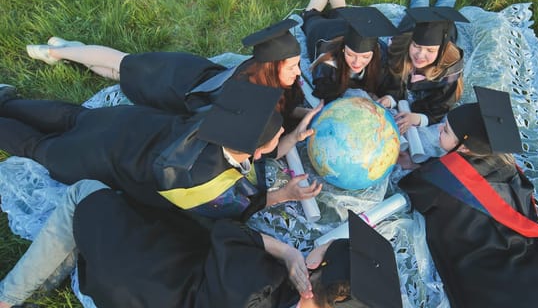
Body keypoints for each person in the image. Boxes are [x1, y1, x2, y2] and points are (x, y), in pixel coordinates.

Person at [0, 179, 405, 308]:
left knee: (84, 196)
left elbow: (226, 232)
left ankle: (8, 300)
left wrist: (284, 252)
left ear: (316, 262)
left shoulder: (256, 283)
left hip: (137, 280)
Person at [0, 81, 321, 228]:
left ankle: (5, 102)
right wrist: (284, 195)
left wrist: (293, 135)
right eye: (276, 135)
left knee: (72, 117)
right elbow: (242, 206)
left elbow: (252, 148)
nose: (282, 133)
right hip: (103, 160)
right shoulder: (208, 183)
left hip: (123, 123)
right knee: (38, 148)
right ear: (252, 148)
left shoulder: (220, 119)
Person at [397, 87, 538, 308]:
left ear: (465, 147)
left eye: (447, 130)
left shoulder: (442, 176)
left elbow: (415, 188)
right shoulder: (506, 165)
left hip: (481, 259)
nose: (440, 129)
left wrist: (415, 167)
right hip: (524, 253)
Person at [26, 19, 308, 133]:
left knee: (121, 70)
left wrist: (307, 113)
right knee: (122, 65)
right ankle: (57, 53)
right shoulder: (242, 96)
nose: (298, 72)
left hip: (189, 72)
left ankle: (68, 48)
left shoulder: (257, 72)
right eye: (292, 66)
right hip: (173, 85)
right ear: (270, 67)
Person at [301, 0, 398, 103]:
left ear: (373, 53)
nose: (357, 63)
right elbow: (327, 96)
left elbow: (393, 88)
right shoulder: (327, 66)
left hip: (348, 26)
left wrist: (389, 99)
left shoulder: (380, 55)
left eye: (365, 57)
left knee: (342, 11)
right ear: (343, 50)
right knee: (310, 14)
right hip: (324, 31)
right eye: (351, 55)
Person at [377, 6, 469, 134]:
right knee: (419, 4)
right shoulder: (400, 47)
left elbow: (441, 107)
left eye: (430, 50)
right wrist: (390, 98)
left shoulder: (450, 71)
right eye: (416, 46)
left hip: (446, 31)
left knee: (445, 5)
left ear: (441, 51)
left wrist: (417, 118)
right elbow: (392, 79)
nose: (420, 55)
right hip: (412, 23)